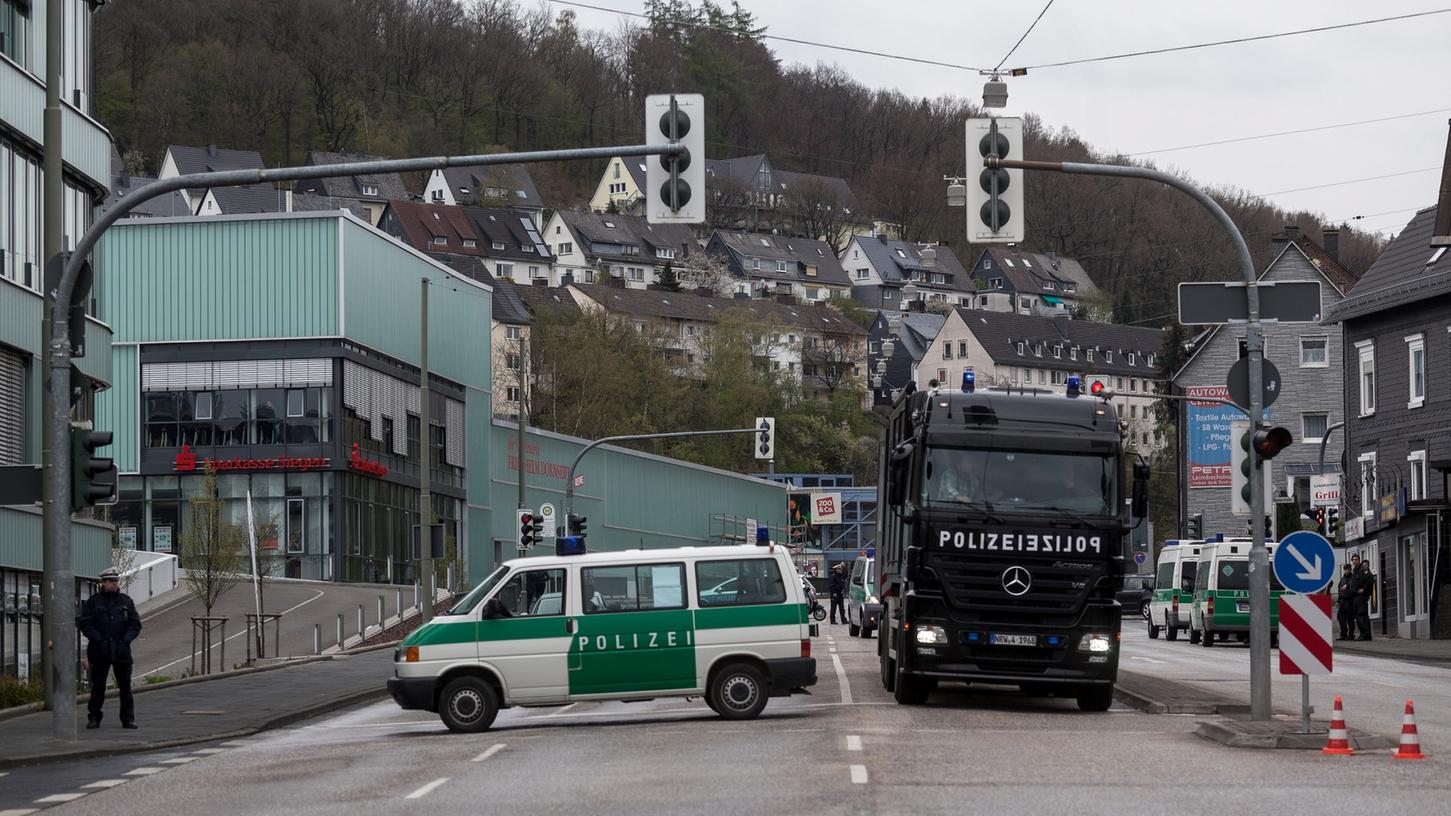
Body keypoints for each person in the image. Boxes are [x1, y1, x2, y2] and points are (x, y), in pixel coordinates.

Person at [78, 567, 143, 729]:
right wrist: (98, 639)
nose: (114, 585)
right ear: (103, 583)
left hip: (121, 650)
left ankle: (128, 718)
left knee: (125, 686)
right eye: (110, 582)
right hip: (99, 650)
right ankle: (94, 717)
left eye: (115, 581)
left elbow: (135, 624)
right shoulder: (94, 602)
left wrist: (125, 640)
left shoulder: (126, 601)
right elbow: (84, 623)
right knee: (98, 686)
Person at [1349, 553, 1373, 641]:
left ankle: (1365, 634)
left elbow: (1369, 579)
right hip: (1355, 596)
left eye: (1356, 559)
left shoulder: (1363, 570)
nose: (1354, 561)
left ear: (1359, 560)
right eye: (1353, 560)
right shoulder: (1355, 571)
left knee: (1361, 615)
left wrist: (1363, 589)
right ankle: (1363, 634)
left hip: (1361, 597)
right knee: (1358, 616)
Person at [1335, 564, 1354, 640]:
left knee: (1350, 619)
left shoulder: (1353, 578)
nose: (1346, 571)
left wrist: (1347, 585)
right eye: (1345, 569)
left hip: (1349, 600)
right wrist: (1338, 601)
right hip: (1342, 600)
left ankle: (1351, 635)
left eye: (1348, 569)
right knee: (1340, 618)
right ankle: (1343, 634)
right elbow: (1339, 590)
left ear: (1350, 569)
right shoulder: (1342, 579)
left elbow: (1354, 585)